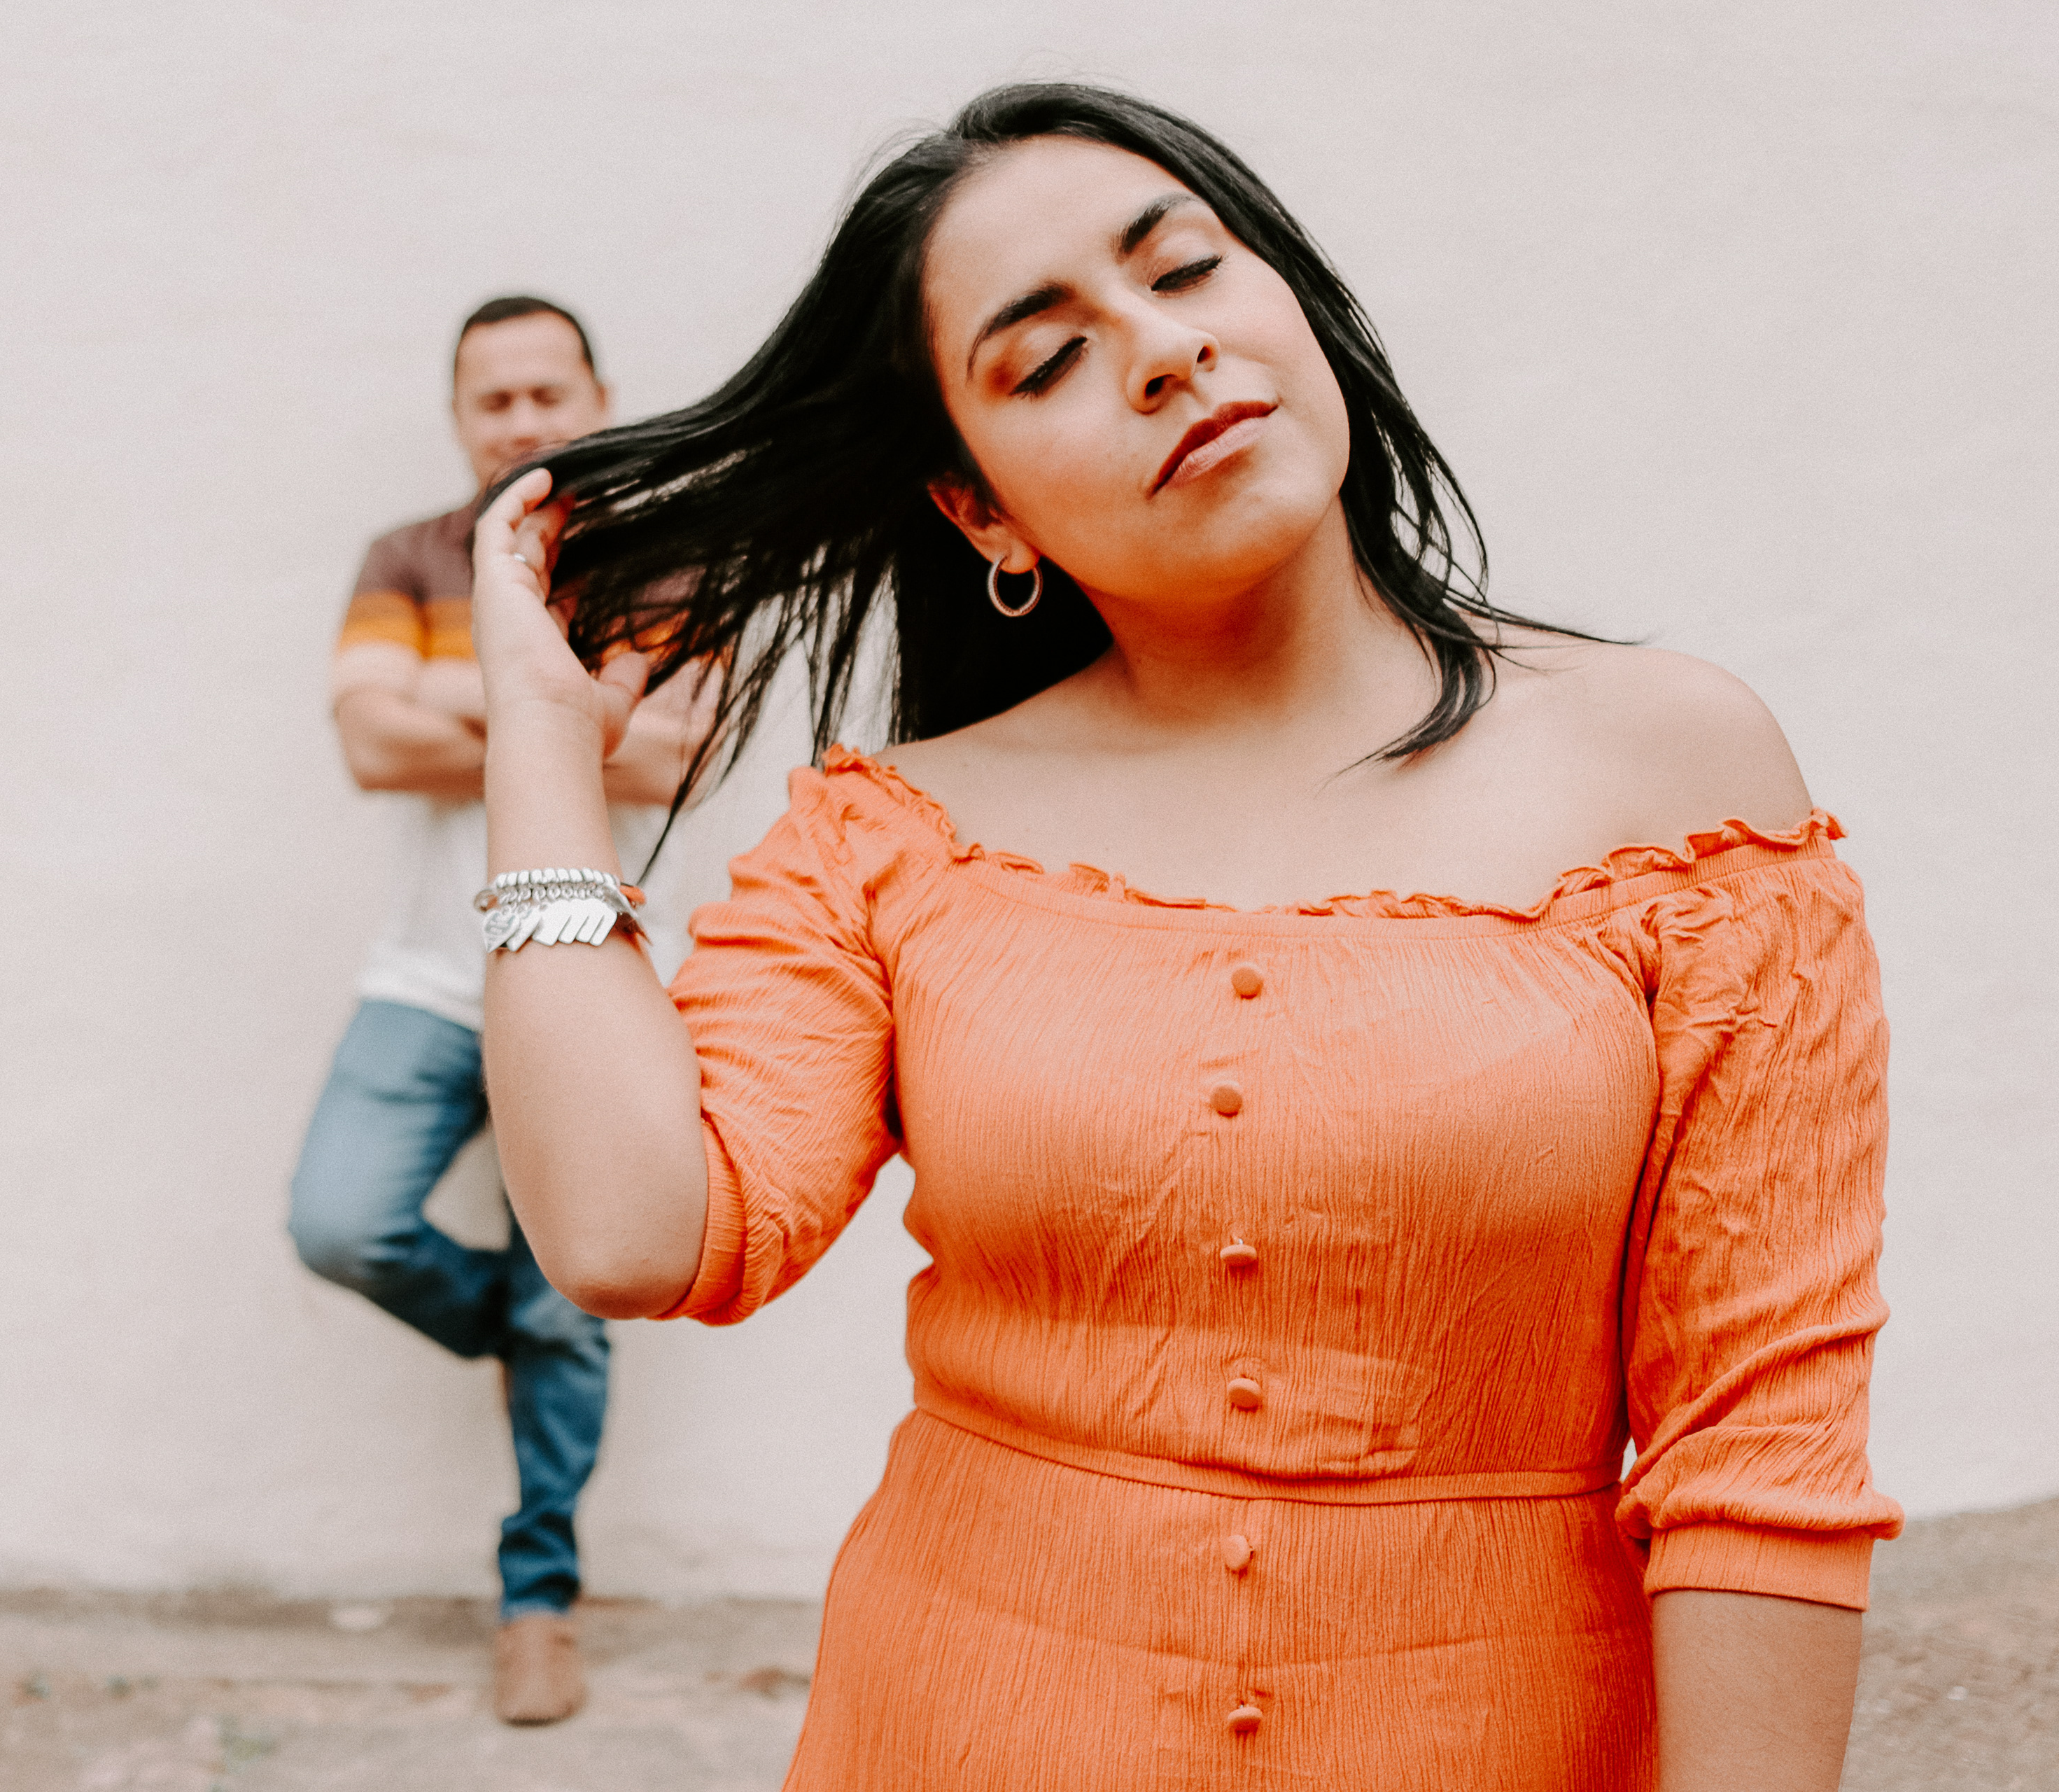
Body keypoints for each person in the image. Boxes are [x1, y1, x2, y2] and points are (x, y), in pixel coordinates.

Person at [462, 86, 1899, 1790]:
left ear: (1291, 296)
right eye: (1045, 359)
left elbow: (1763, 1441)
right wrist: (539, 743)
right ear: (980, 508)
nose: (1160, 352)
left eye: (1185, 268)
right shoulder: (893, 832)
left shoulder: (1676, 776)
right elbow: (636, 1228)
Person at [289, 295, 708, 1726]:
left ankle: (540, 1605)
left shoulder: (670, 561)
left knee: (574, 1299)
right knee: (341, 1222)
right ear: (461, 416)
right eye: (495, 399)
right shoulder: (410, 557)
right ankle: (530, 1327)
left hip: (594, 985)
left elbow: (673, 760)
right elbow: (366, 742)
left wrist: (457, 707)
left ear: (598, 396)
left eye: (547, 392)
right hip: (426, 978)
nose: (523, 421)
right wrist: (557, 717)